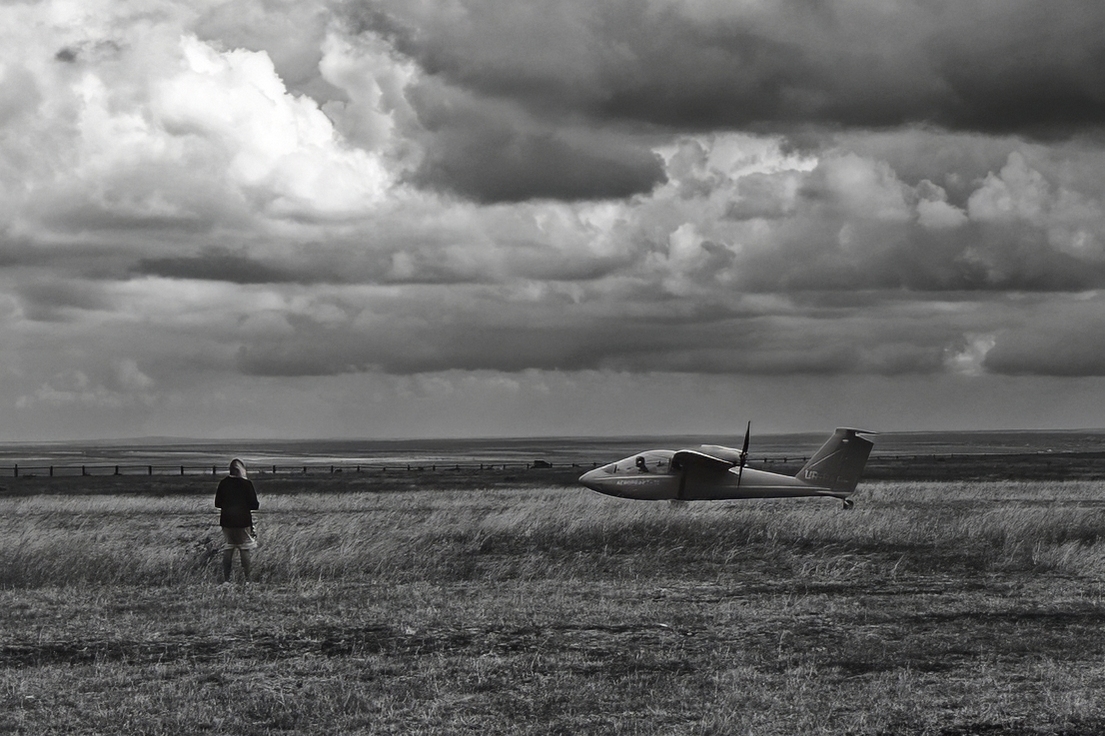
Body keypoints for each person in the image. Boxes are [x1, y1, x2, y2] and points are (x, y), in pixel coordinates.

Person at [214, 458, 259, 583]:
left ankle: (226, 580)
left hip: (226, 520)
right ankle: (247, 579)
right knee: (244, 548)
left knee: (229, 548)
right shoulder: (246, 484)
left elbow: (217, 503)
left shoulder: (223, 483)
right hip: (243, 521)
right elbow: (254, 505)